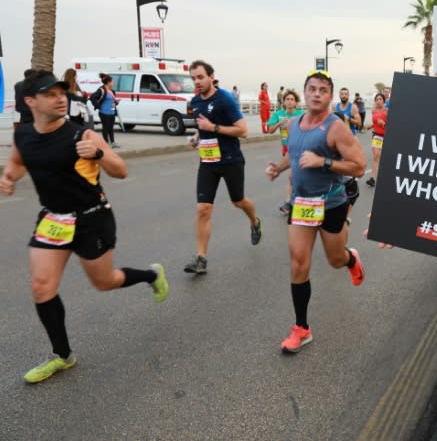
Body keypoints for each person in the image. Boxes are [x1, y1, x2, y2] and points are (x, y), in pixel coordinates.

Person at [0, 70, 168, 384]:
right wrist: (9, 177)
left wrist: (100, 153)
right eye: (49, 94)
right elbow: (19, 161)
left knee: (105, 282)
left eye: (61, 92)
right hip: (53, 218)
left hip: (92, 218)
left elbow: (121, 170)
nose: (60, 98)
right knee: (41, 287)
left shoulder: (83, 136)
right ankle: (63, 356)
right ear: (30, 101)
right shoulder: (23, 135)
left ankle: (151, 275)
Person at [265, 70, 366, 354]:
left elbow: (358, 166)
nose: (316, 93)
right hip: (302, 204)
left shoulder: (336, 128)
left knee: (334, 259)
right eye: (312, 88)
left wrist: (323, 162)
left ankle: (350, 259)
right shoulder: (295, 123)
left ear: (330, 96)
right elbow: (296, 153)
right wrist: (279, 168)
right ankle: (301, 328)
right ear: (304, 92)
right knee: (299, 263)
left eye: (323, 89)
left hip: (331, 202)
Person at [184, 60, 262, 275]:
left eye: (200, 77)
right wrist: (197, 137)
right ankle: (201, 258)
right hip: (208, 161)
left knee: (238, 201)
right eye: (193, 78)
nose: (197, 82)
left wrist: (213, 127)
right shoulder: (195, 102)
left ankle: (254, 221)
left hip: (230, 160)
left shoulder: (225, 99)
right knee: (203, 209)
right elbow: (204, 129)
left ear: (211, 76)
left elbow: (243, 130)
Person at [267, 88, 302, 214]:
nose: (290, 102)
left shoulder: (300, 114)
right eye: (287, 99)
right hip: (286, 148)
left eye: (292, 99)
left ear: (296, 102)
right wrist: (279, 123)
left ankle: (288, 202)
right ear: (284, 101)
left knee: (291, 176)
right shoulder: (278, 114)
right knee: (294, 176)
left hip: (299, 147)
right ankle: (296, 199)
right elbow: (269, 130)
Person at [365, 92, 387, 187]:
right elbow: (375, 123)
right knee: (376, 157)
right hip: (376, 136)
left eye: (380, 99)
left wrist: (384, 124)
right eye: (377, 99)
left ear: (383, 101)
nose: (378, 101)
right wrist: (370, 126)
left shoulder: (387, 111)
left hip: (386, 136)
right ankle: (373, 179)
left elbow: (394, 126)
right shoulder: (374, 111)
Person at [95, 73, 120, 148]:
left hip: (111, 113)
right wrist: (99, 106)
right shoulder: (101, 90)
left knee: (111, 128)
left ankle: (112, 143)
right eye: (112, 81)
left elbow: (112, 102)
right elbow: (94, 98)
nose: (113, 83)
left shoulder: (112, 91)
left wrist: (116, 103)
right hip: (104, 113)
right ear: (108, 82)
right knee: (105, 128)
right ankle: (106, 144)